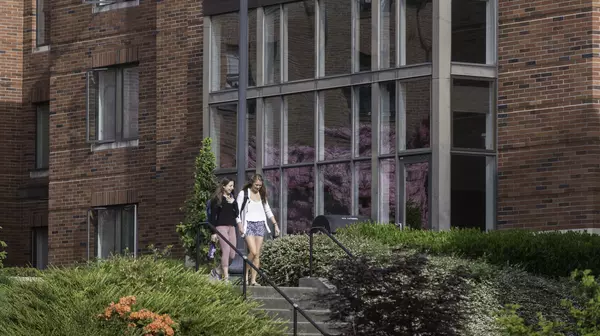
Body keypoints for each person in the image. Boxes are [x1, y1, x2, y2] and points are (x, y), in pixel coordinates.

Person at [236, 174, 280, 286]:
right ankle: (245, 274)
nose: (258, 187)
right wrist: (239, 224)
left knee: (257, 254)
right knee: (253, 251)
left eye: (260, 185)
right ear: (252, 183)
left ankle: (253, 280)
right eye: (256, 185)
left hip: (260, 224)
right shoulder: (244, 193)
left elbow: (268, 210)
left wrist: (275, 224)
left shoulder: (262, 194)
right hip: (248, 224)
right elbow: (236, 210)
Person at [209, 178, 242, 282]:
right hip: (221, 227)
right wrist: (213, 232)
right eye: (230, 186)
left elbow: (236, 214)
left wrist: (234, 203)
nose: (232, 188)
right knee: (226, 250)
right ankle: (226, 277)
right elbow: (212, 217)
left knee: (232, 254)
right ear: (223, 186)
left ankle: (217, 270)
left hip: (231, 227)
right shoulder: (217, 199)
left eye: (232, 186)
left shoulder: (232, 199)